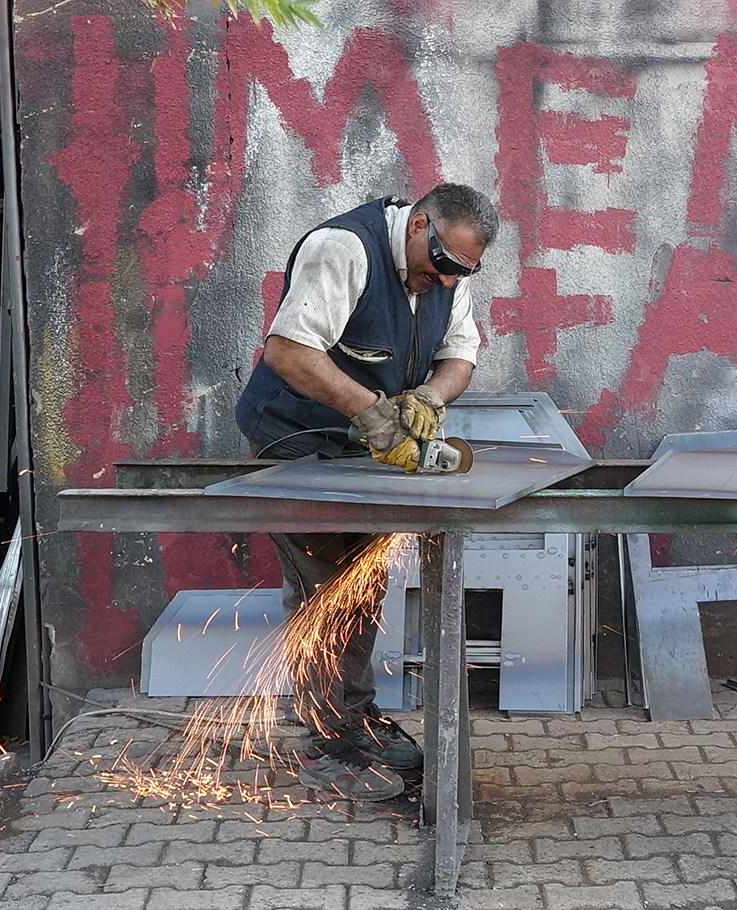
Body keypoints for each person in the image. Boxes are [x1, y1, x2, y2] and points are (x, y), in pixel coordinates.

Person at [235, 183, 498, 801]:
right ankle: (329, 744)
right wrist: (375, 415)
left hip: (358, 451)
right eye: (439, 269)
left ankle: (352, 717)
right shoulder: (343, 248)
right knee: (325, 590)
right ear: (418, 226)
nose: (445, 283)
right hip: (295, 440)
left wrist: (430, 398)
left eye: (460, 274)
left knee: (361, 585)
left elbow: (461, 355)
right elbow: (289, 350)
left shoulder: (447, 273)